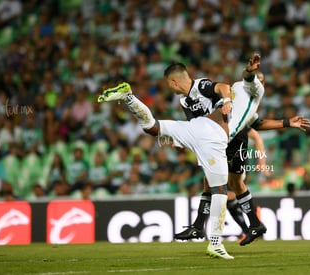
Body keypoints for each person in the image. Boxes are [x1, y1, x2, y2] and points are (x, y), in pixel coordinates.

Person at [164, 54, 310, 246]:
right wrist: (182, 139)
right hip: (217, 138)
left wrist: (245, 78)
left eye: (260, 79)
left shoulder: (235, 87)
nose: (259, 82)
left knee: (223, 182)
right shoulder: (189, 101)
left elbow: (235, 90)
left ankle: (203, 226)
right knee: (217, 182)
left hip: (231, 138)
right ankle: (248, 224)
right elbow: (255, 122)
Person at [97, 72, 237, 259]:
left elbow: (224, 87)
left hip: (203, 133)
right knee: (220, 190)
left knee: (152, 127)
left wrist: (226, 100)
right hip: (211, 135)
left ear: (174, 81)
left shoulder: (200, 85)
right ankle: (215, 243)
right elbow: (198, 121)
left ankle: (129, 97)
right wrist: (182, 140)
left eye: (168, 84)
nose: (169, 88)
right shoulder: (184, 101)